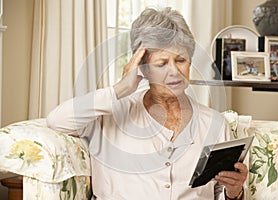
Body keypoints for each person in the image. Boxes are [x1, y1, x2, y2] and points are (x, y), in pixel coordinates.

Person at [47, 7, 248, 200]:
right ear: (142, 68)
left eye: (181, 60)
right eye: (161, 64)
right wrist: (119, 90)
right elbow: (57, 120)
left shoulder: (214, 123)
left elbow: (220, 192)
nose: (174, 71)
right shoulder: (110, 113)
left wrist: (234, 192)